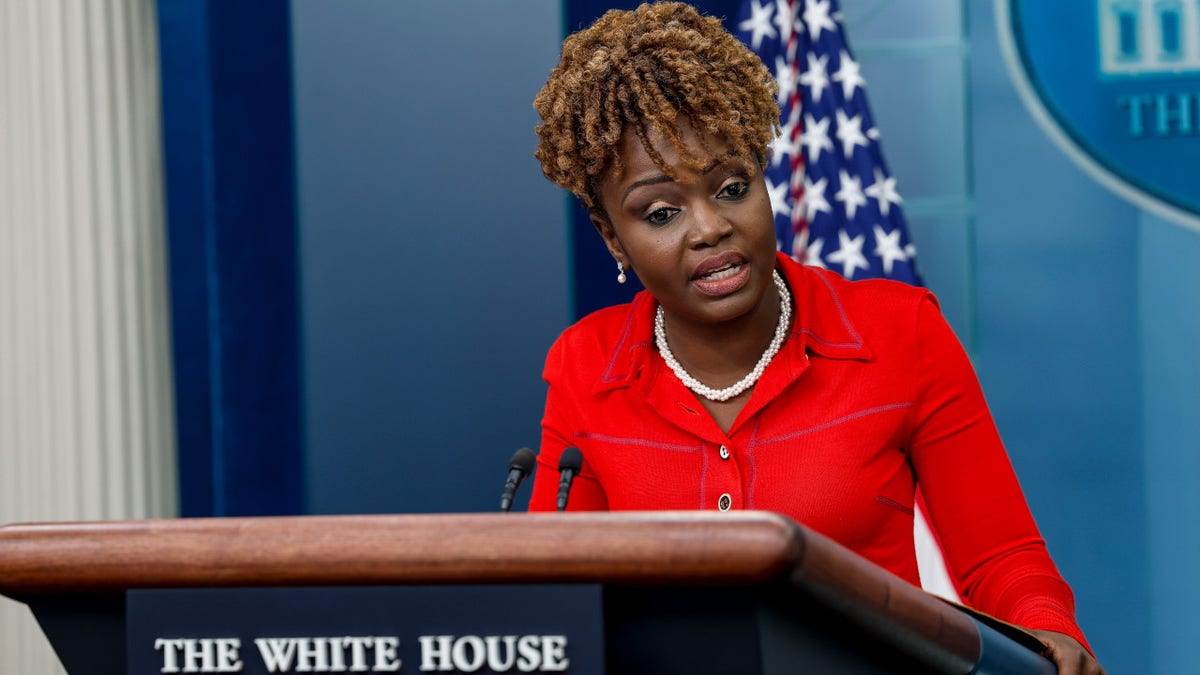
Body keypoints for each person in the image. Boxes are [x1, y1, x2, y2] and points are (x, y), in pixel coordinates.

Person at [526, 3, 1103, 673]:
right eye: (662, 212)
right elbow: (557, 597)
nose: (710, 226)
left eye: (732, 186)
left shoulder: (898, 332)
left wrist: (1049, 634)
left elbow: (1001, 558)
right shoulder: (584, 367)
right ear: (611, 237)